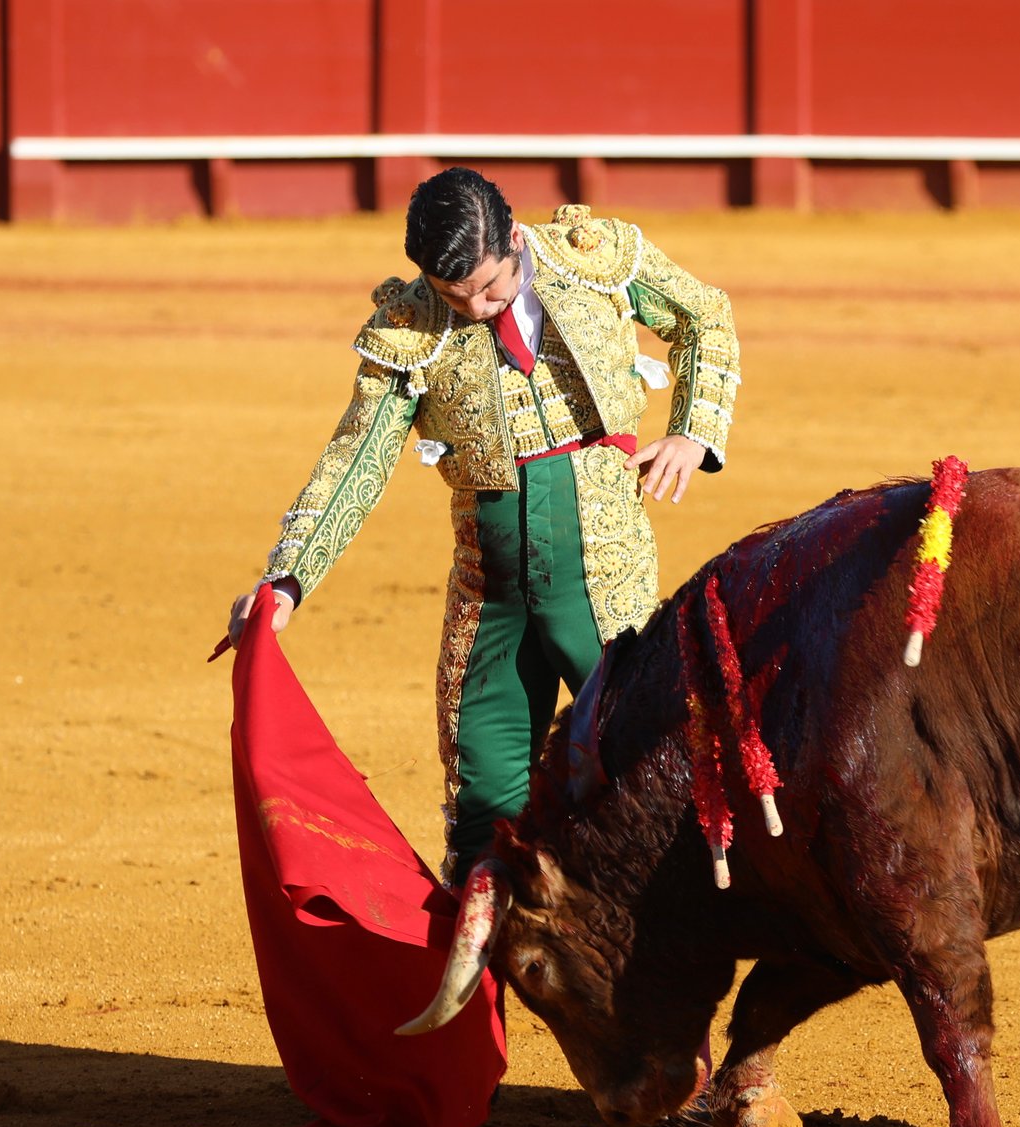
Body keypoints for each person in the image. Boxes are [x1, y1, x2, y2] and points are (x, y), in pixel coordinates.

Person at [226, 167, 740, 884]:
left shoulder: (593, 261)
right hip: (490, 597)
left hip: (607, 578)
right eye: (453, 295)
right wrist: (287, 578)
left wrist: (693, 430)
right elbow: (356, 457)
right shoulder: (410, 326)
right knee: (484, 816)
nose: (474, 308)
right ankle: (487, 958)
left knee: (652, 776)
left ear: (516, 240)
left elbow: (703, 316)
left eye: (491, 289)